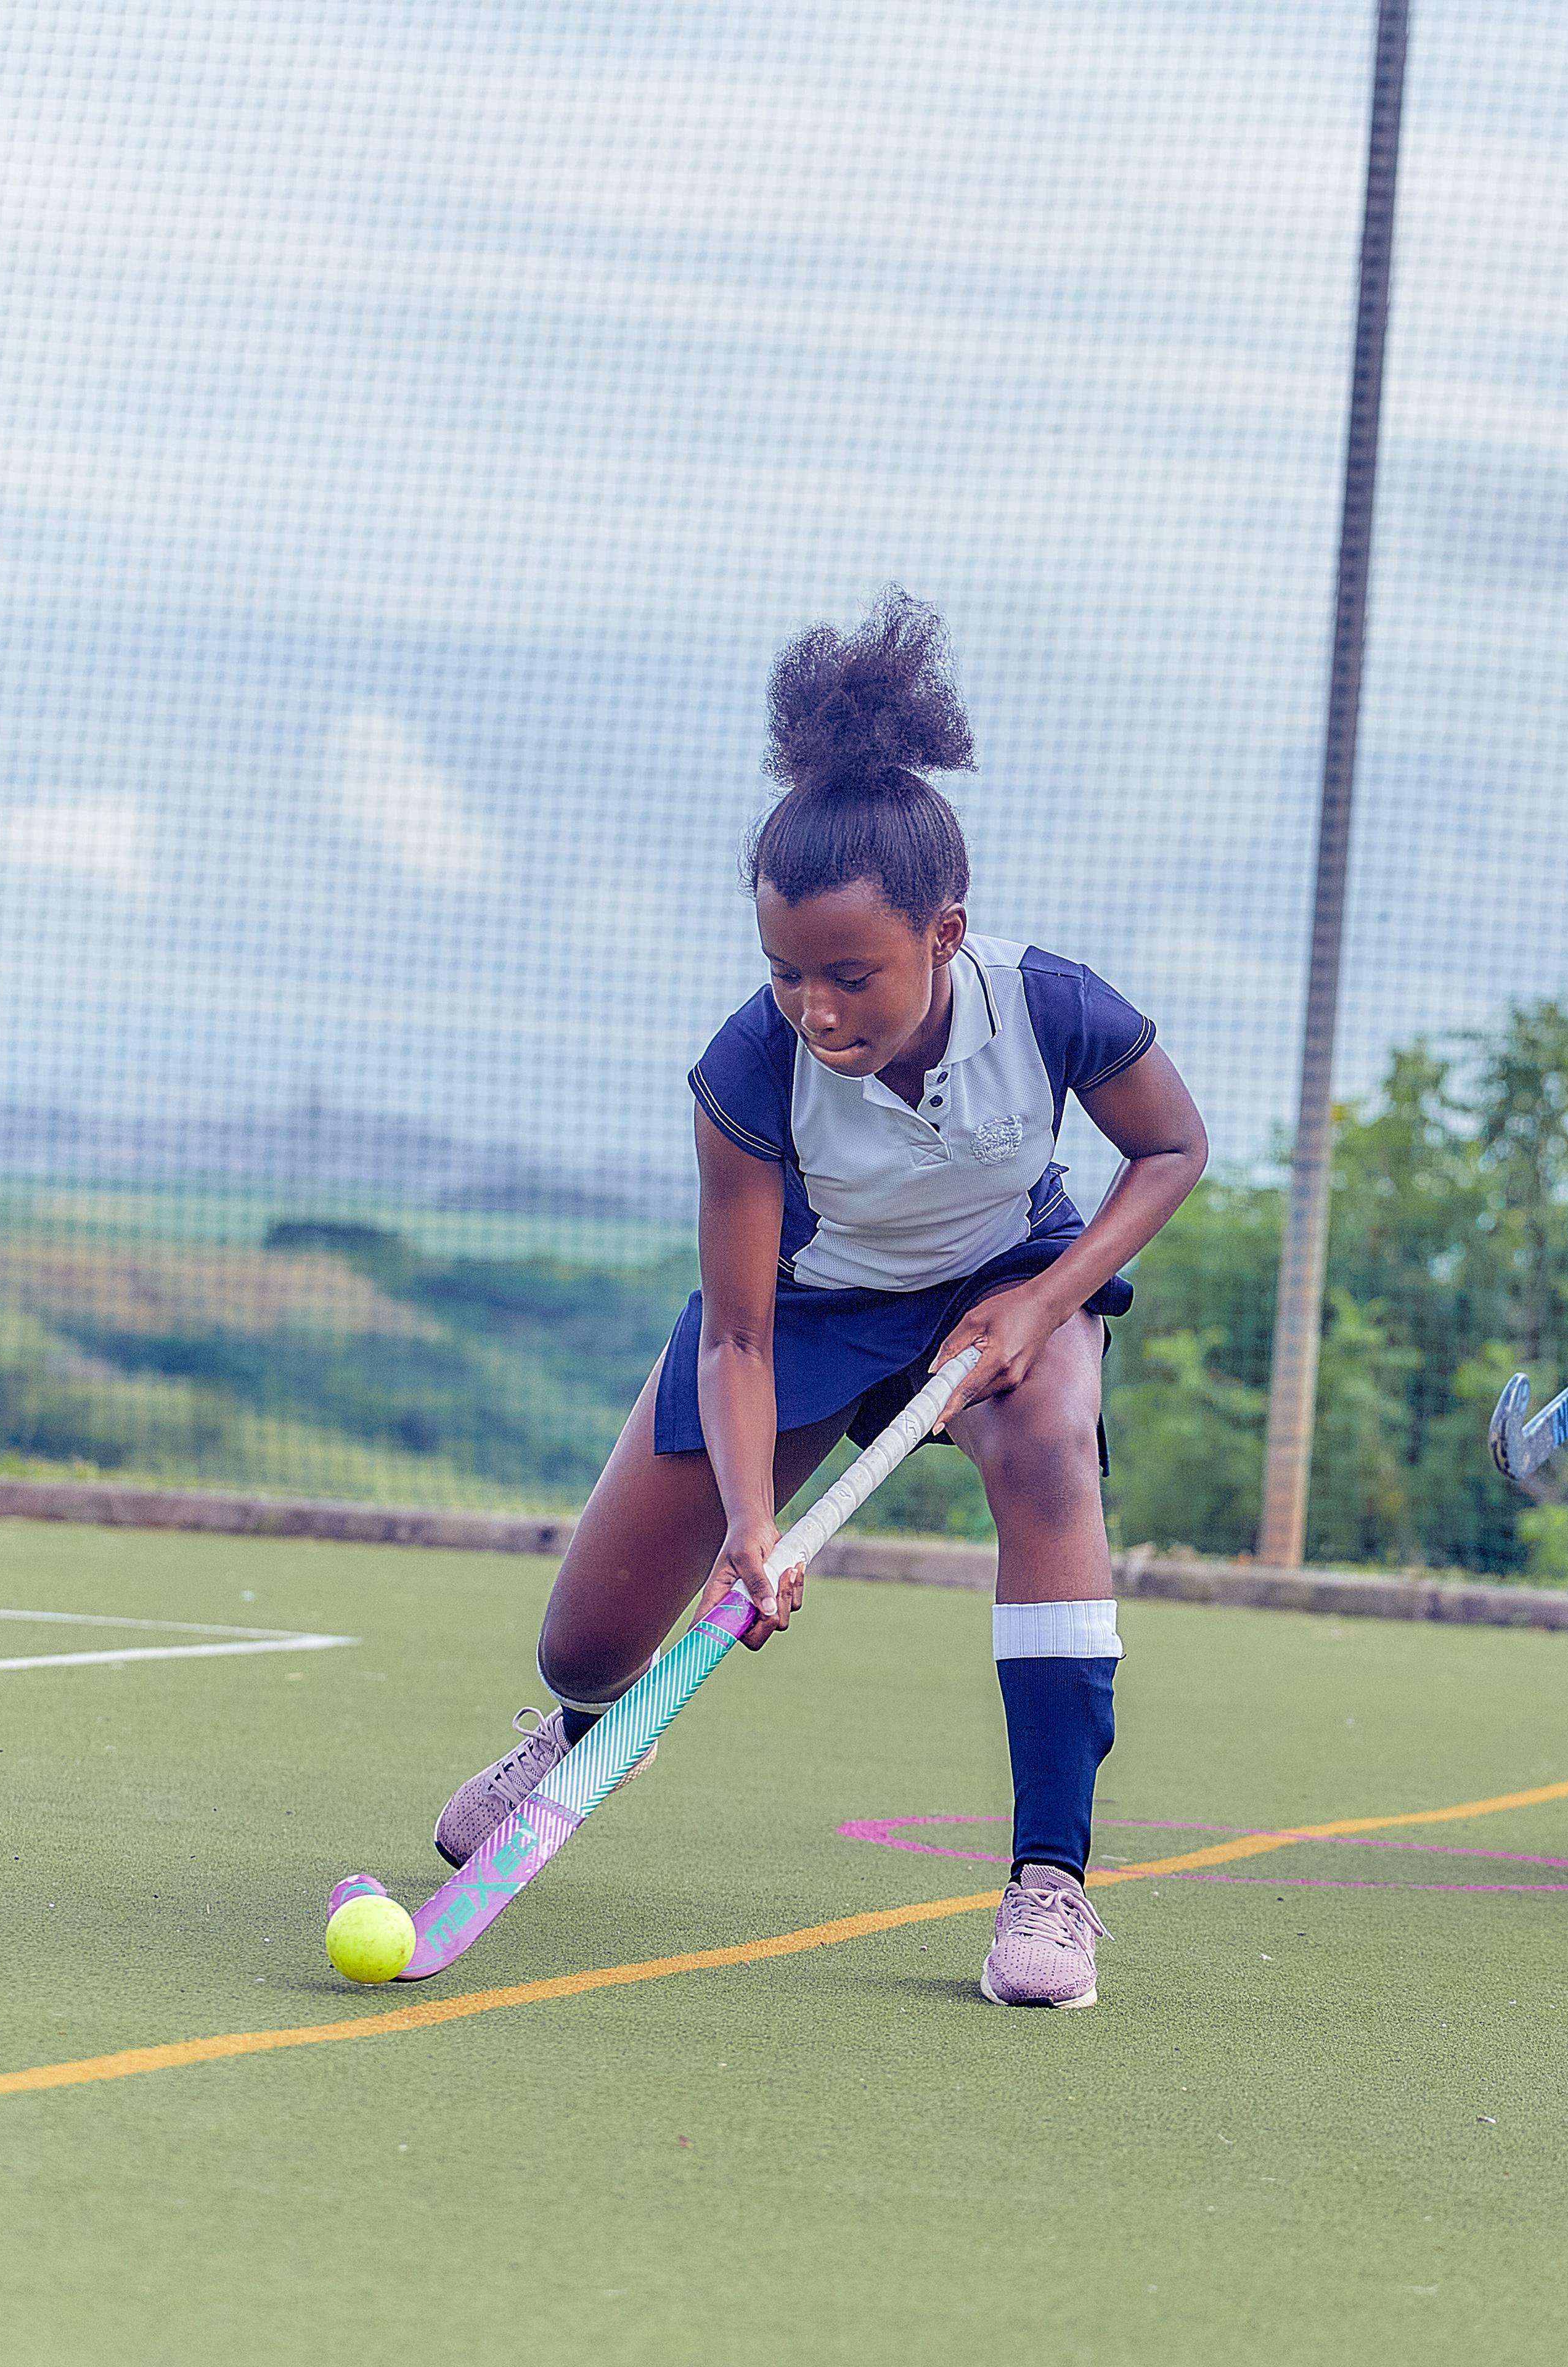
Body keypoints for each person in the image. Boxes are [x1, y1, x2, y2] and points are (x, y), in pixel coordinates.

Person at [433, 591, 1207, 2009]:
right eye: (788, 973)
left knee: (1045, 1447)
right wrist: (750, 1529)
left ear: (946, 933)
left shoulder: (1051, 1009)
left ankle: (1052, 1882)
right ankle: (581, 1731)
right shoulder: (749, 1076)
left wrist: (1046, 1307)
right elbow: (734, 1332)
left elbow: (1171, 1151)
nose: (818, 1009)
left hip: (999, 1277)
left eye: (852, 974)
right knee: (587, 1643)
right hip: (800, 1313)